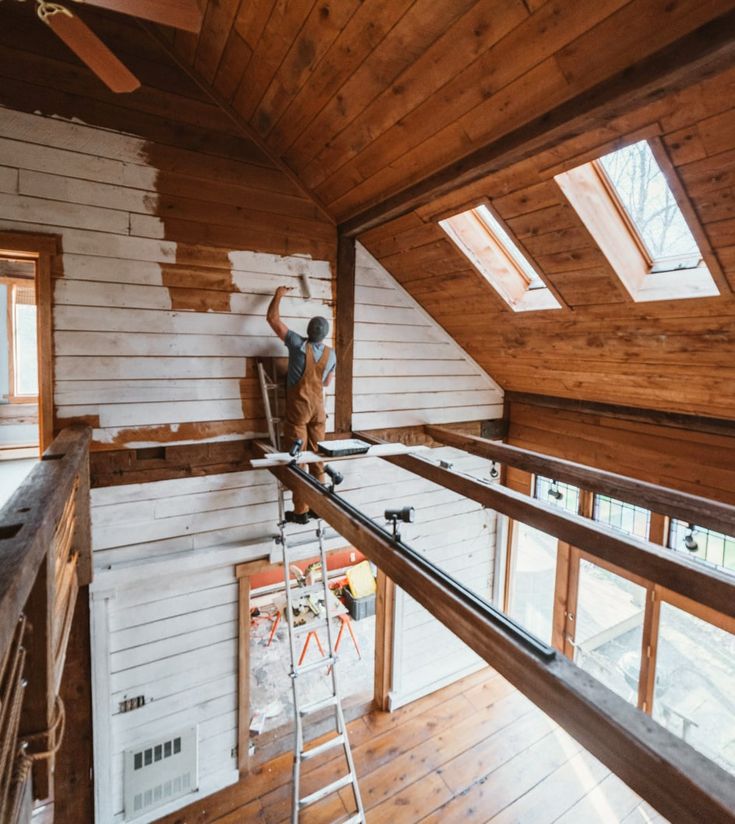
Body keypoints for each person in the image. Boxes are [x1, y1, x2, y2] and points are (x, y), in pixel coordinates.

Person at [266, 285, 336, 524]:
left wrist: (279, 295)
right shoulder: (331, 353)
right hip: (319, 410)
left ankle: (300, 511)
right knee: (318, 457)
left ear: (308, 331)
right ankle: (319, 508)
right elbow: (326, 382)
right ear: (324, 335)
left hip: (298, 411)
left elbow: (272, 319)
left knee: (298, 460)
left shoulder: (297, 344)